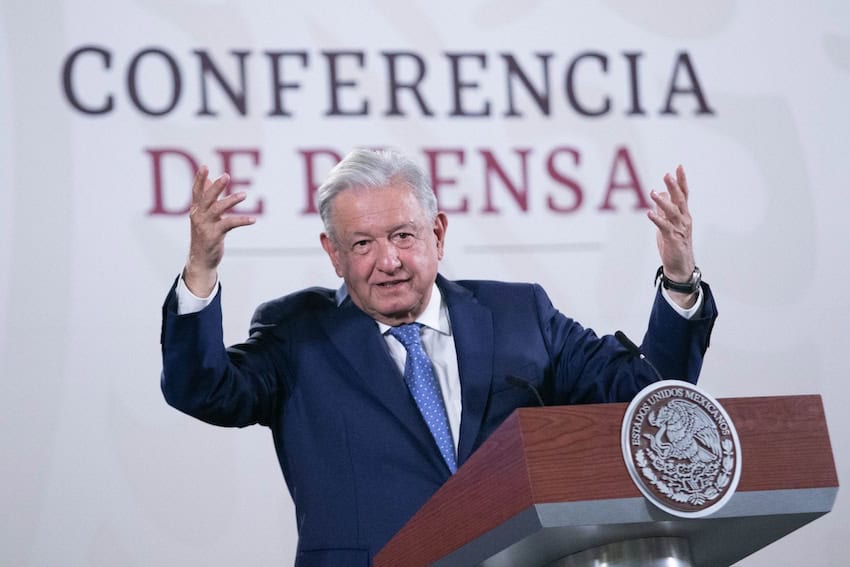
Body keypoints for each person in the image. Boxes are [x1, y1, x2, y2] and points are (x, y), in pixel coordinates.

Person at [160, 149, 717, 566]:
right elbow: (204, 390)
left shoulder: (520, 313)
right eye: (362, 244)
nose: (389, 261)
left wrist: (679, 282)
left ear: (438, 232)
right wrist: (201, 271)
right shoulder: (297, 333)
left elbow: (647, 399)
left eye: (403, 235)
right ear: (333, 254)